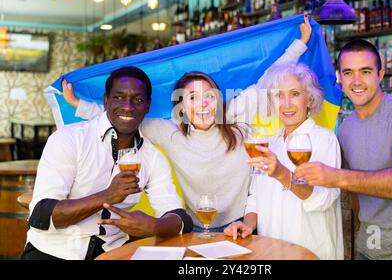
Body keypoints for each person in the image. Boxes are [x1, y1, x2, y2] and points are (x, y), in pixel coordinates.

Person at [62, 14, 313, 233]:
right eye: (193, 97)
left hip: (242, 225)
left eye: (208, 96)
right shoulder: (169, 133)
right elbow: (125, 115)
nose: (203, 103)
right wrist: (78, 104)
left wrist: (300, 44)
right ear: (182, 107)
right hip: (194, 227)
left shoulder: (235, 115)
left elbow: (267, 81)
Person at [295, 39, 392, 260]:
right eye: (348, 72)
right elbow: (356, 198)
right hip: (370, 250)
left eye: (365, 71)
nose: (356, 81)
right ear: (340, 77)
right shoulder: (346, 128)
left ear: (380, 73)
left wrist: (337, 177)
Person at [23, 66, 193, 260]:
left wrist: (155, 225)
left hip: (114, 251)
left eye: (137, 100)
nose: (128, 106)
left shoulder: (151, 156)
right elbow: (41, 215)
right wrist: (107, 195)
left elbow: (180, 218)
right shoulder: (68, 138)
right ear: (106, 100)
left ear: (147, 106)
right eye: (119, 97)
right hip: (53, 251)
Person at [224, 62, 344, 260]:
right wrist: (248, 225)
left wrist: (281, 174)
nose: (286, 104)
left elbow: (323, 200)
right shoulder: (269, 143)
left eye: (295, 94)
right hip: (270, 252)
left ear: (309, 99)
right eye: (279, 95)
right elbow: (254, 199)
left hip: (311, 252)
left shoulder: (324, 139)